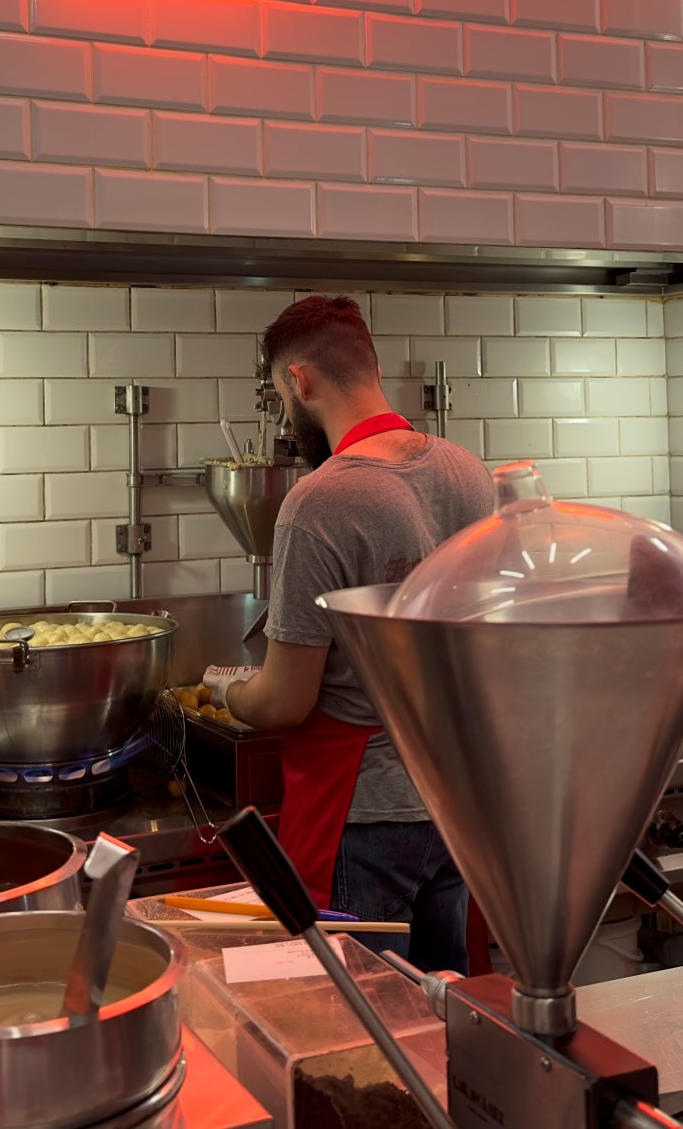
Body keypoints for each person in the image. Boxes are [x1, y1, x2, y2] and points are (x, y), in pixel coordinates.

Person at [204, 296, 495, 971]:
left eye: (280, 398)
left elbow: (285, 702)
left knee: (357, 1036)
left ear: (300, 381)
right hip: (454, 801)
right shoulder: (468, 472)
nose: (284, 416)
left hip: (362, 816)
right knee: (443, 1017)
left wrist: (228, 692)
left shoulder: (321, 500)